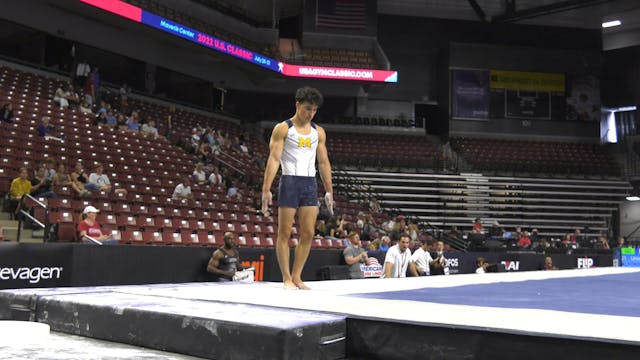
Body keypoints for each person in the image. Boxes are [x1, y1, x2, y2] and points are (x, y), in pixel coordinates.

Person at [261, 86, 333, 290]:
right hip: (290, 181)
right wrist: (266, 188)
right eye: (307, 108)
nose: (310, 113)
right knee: (284, 233)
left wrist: (329, 190)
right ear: (297, 105)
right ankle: (286, 278)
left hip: (310, 183)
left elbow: (324, 162)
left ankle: (297, 276)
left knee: (308, 233)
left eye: (314, 110)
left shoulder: (318, 132)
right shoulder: (283, 129)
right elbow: (274, 159)